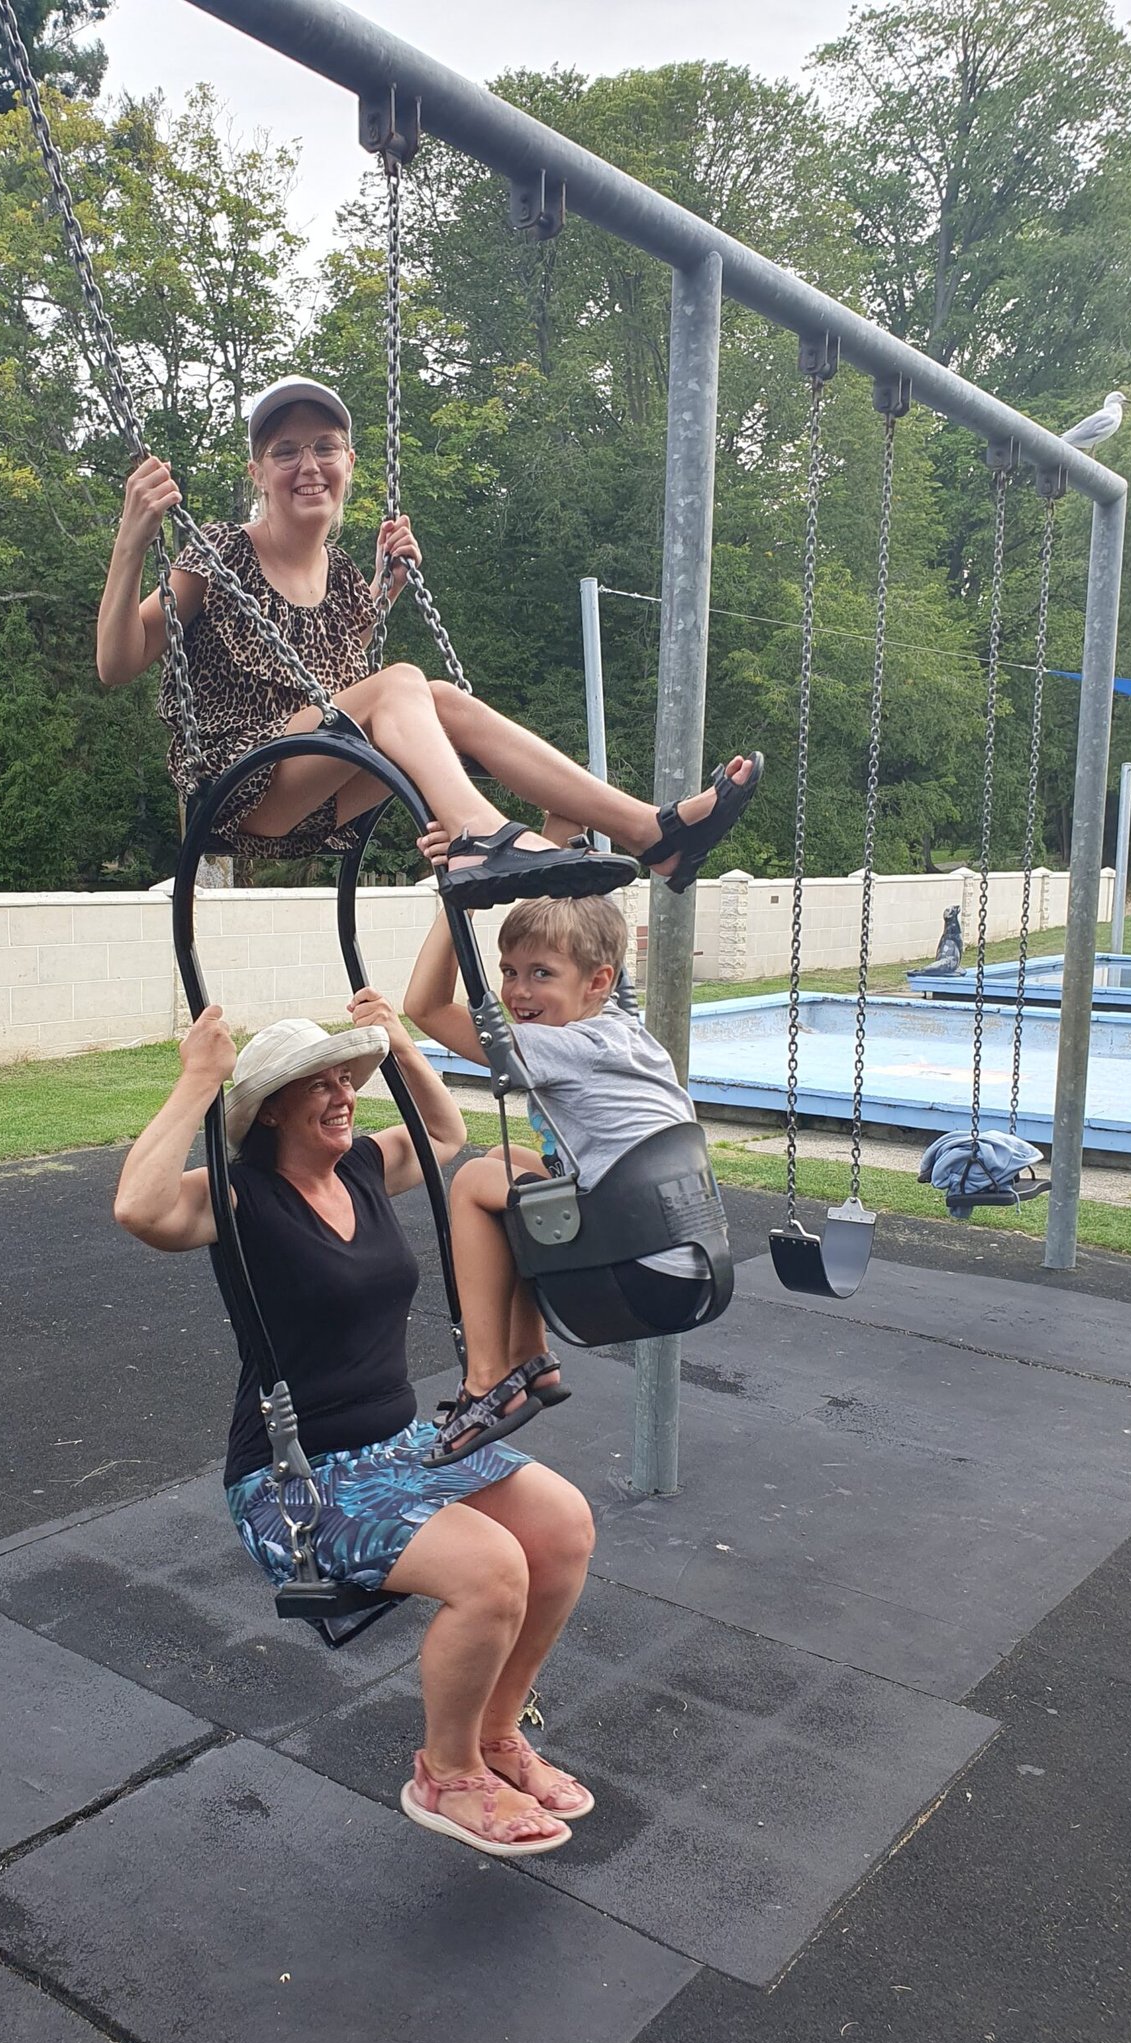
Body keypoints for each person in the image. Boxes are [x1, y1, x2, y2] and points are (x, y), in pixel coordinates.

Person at [113, 990, 599, 1859]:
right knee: (491, 1570)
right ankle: (446, 1774)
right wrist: (197, 1082)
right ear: (270, 1110)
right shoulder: (238, 1197)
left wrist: (401, 1043)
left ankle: (496, 1735)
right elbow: (139, 1209)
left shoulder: (366, 1168)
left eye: (348, 1078)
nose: (344, 1094)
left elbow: (444, 1133)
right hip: (295, 1480)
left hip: (398, 1449)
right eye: (321, 1084)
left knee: (562, 1524)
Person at [95, 373, 760, 908]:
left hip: (314, 795)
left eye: (325, 447)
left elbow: (328, 677)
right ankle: (479, 835)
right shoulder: (220, 551)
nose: (308, 465)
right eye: (285, 451)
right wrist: (131, 540)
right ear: (257, 472)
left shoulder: (344, 578)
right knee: (403, 683)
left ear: (348, 462)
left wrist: (383, 592)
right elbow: (117, 661)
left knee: (438, 696)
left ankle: (652, 832)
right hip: (234, 788)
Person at [405, 866, 725, 1464]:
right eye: (509, 972)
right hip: (690, 1264)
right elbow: (563, 884)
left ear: (598, 980)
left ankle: (486, 1381)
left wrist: (459, 901)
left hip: (637, 1274)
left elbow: (424, 1007)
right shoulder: (624, 1028)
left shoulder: (563, 1046)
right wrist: (556, 846)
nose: (517, 992)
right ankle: (532, 1356)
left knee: (474, 1181)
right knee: (509, 1161)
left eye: (541, 974)